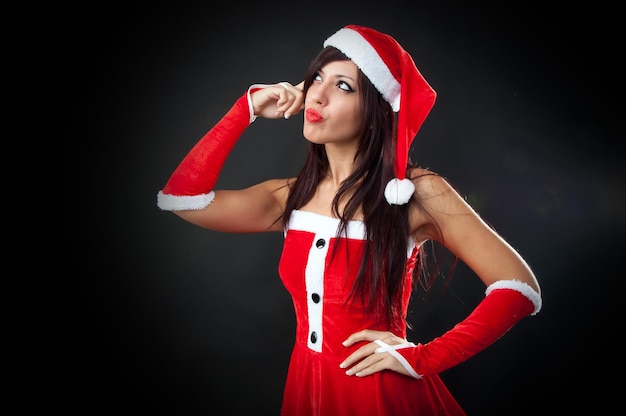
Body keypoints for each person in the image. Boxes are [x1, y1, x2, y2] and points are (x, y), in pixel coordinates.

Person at [156, 24, 542, 416]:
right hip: (305, 390)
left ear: (376, 110)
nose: (317, 94)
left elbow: (519, 288)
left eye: (344, 87)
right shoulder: (290, 195)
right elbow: (181, 200)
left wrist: (423, 358)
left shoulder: (417, 192)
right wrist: (248, 108)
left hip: (381, 398)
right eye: (318, 77)